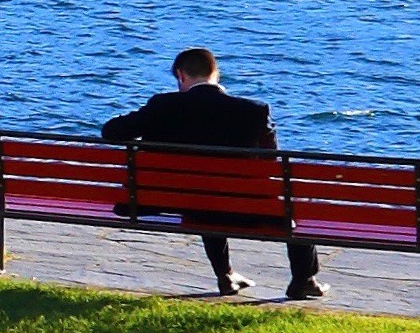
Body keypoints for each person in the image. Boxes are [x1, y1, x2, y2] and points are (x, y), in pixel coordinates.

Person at [99, 47, 323, 300]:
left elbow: (111, 132)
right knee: (294, 210)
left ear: (181, 76)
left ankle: (225, 274)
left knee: (202, 195)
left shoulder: (162, 105)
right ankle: (304, 279)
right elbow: (271, 159)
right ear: (216, 73)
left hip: (176, 203)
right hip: (242, 208)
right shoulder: (254, 111)